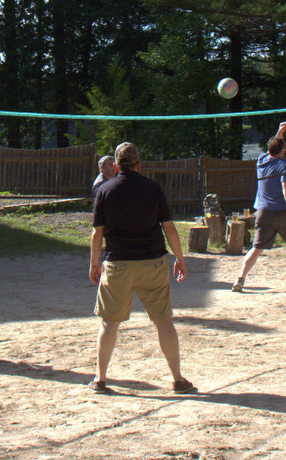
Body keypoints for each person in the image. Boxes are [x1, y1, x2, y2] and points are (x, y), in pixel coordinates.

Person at [88, 142, 194, 394]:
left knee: (109, 323)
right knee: (163, 321)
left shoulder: (104, 190)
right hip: (152, 263)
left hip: (118, 264)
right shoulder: (153, 188)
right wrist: (179, 257)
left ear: (115, 166)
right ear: (138, 164)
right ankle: (177, 379)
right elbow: (169, 227)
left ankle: (100, 379)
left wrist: (94, 263)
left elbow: (97, 233)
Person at [231, 122, 286, 292]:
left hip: (263, 212)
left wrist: (280, 132)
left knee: (256, 248)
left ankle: (240, 279)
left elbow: (273, 147)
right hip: (281, 212)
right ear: (282, 151)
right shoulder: (284, 164)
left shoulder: (261, 160)